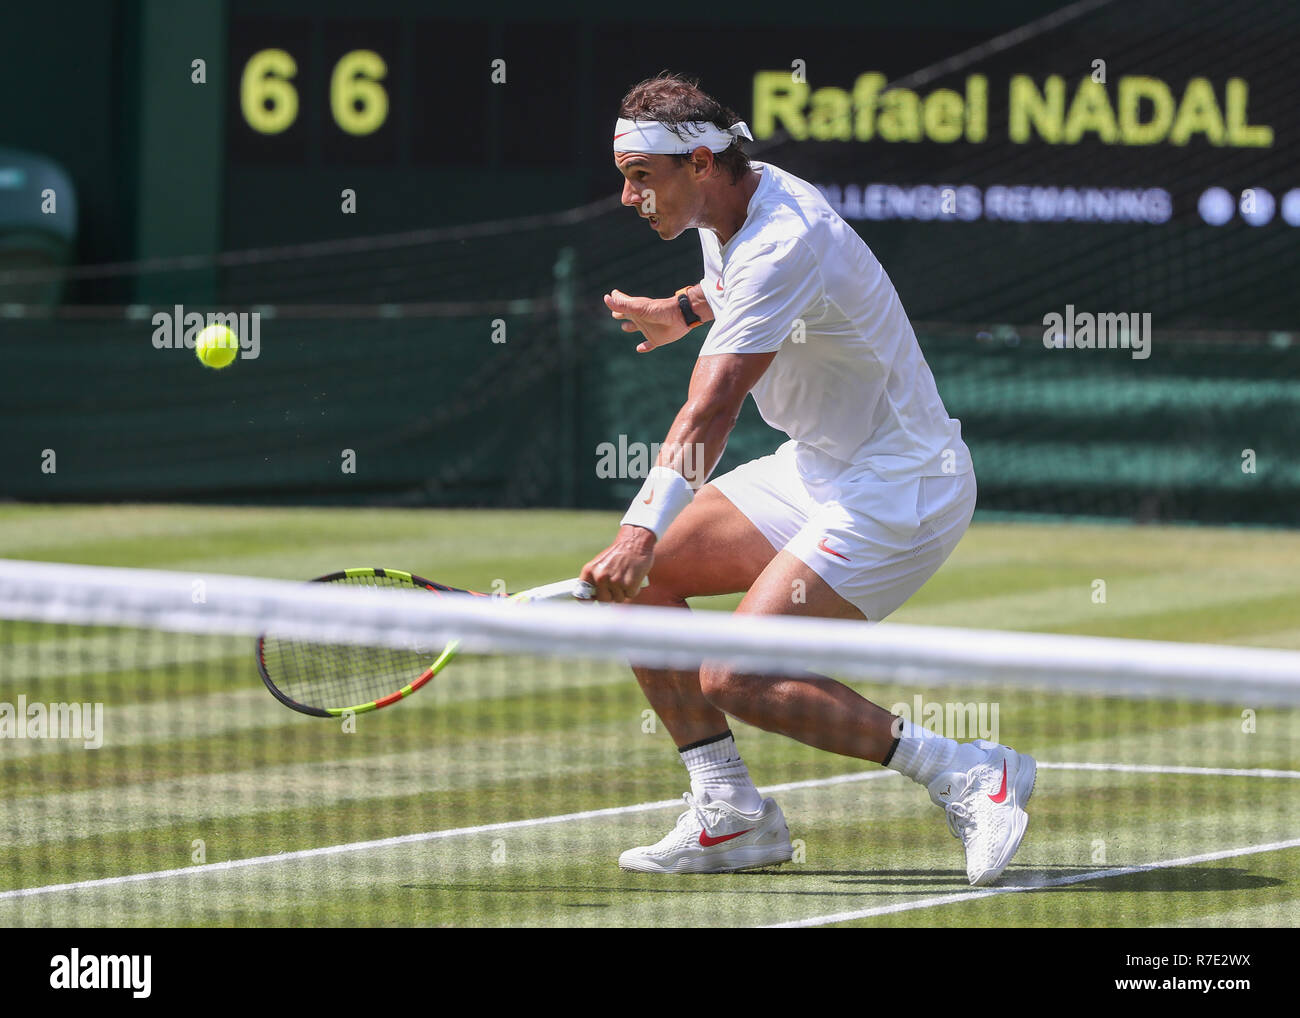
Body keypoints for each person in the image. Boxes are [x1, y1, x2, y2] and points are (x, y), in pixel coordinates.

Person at [580, 73, 1035, 886]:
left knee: (739, 674)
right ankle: (731, 812)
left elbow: (711, 409)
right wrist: (681, 310)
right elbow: (732, 286)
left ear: (703, 162)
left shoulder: (785, 235)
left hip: (904, 484)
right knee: (652, 588)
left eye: (641, 177)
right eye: (626, 177)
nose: (627, 196)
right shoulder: (733, 203)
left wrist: (637, 528)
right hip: (818, 463)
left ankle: (968, 771)